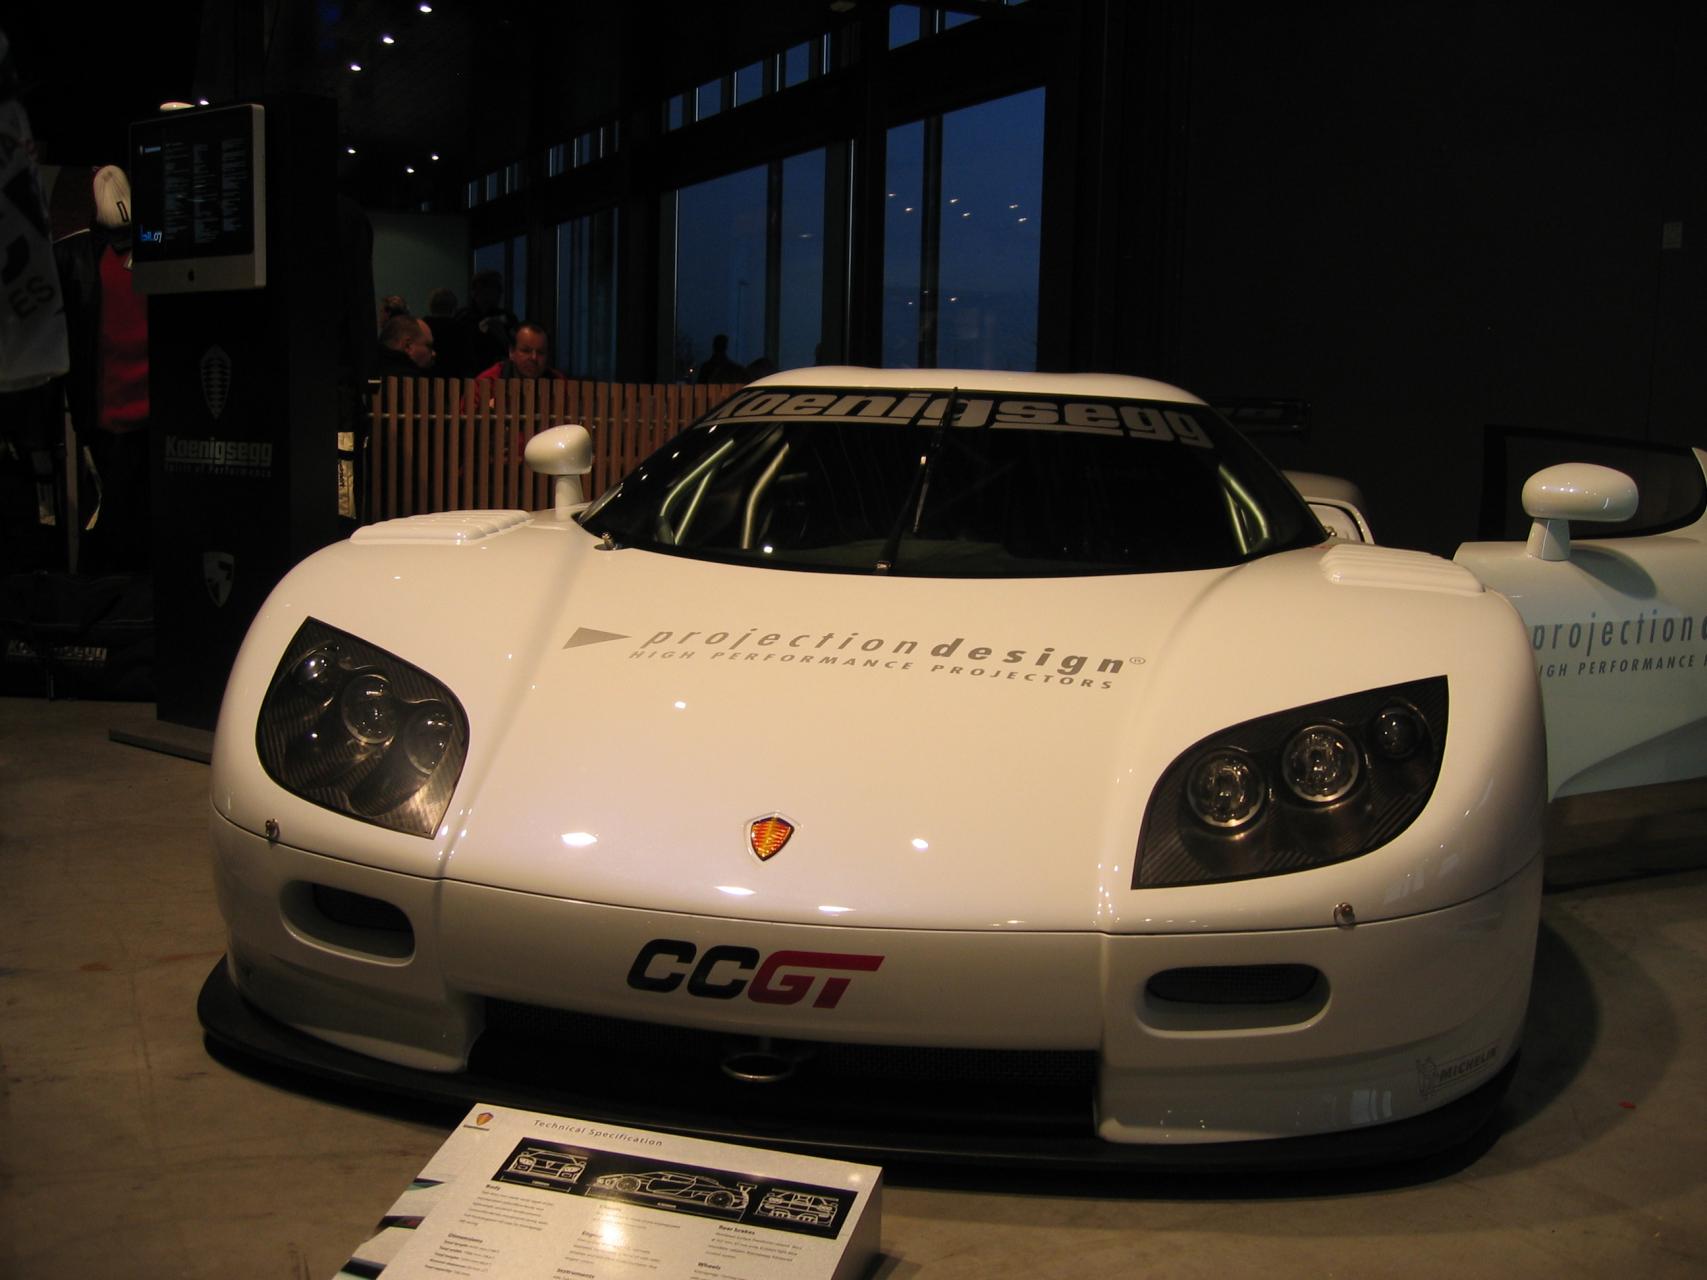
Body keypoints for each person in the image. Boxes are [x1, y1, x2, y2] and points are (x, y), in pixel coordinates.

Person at [474, 323, 565, 382]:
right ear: (511, 352)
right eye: (526, 351)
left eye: (540, 352)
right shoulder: (487, 382)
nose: (534, 357)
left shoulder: (558, 381)